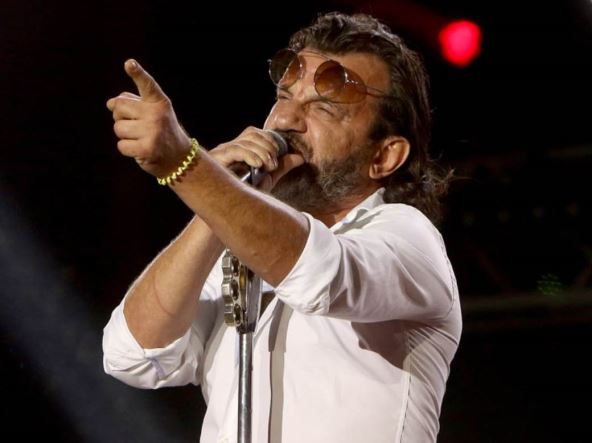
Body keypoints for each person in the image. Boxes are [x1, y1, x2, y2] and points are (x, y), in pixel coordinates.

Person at [102, 11, 461, 443]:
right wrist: (218, 203)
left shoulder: (408, 239)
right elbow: (133, 354)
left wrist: (188, 167)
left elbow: (319, 276)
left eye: (323, 107)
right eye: (284, 96)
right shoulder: (239, 248)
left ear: (384, 156)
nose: (285, 120)